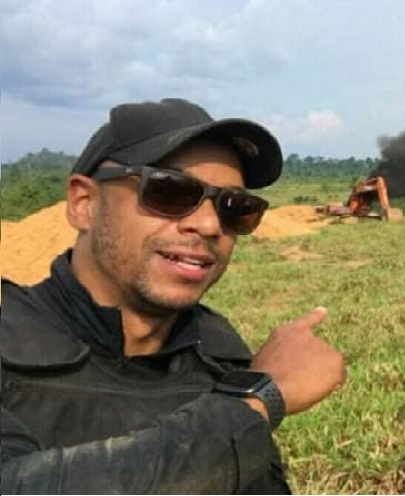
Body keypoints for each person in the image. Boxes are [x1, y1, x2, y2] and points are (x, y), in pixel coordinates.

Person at [0, 98, 347, 494]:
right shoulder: (10, 339)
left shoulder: (217, 352)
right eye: (170, 190)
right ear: (84, 204)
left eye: (235, 207)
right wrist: (253, 404)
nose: (210, 225)